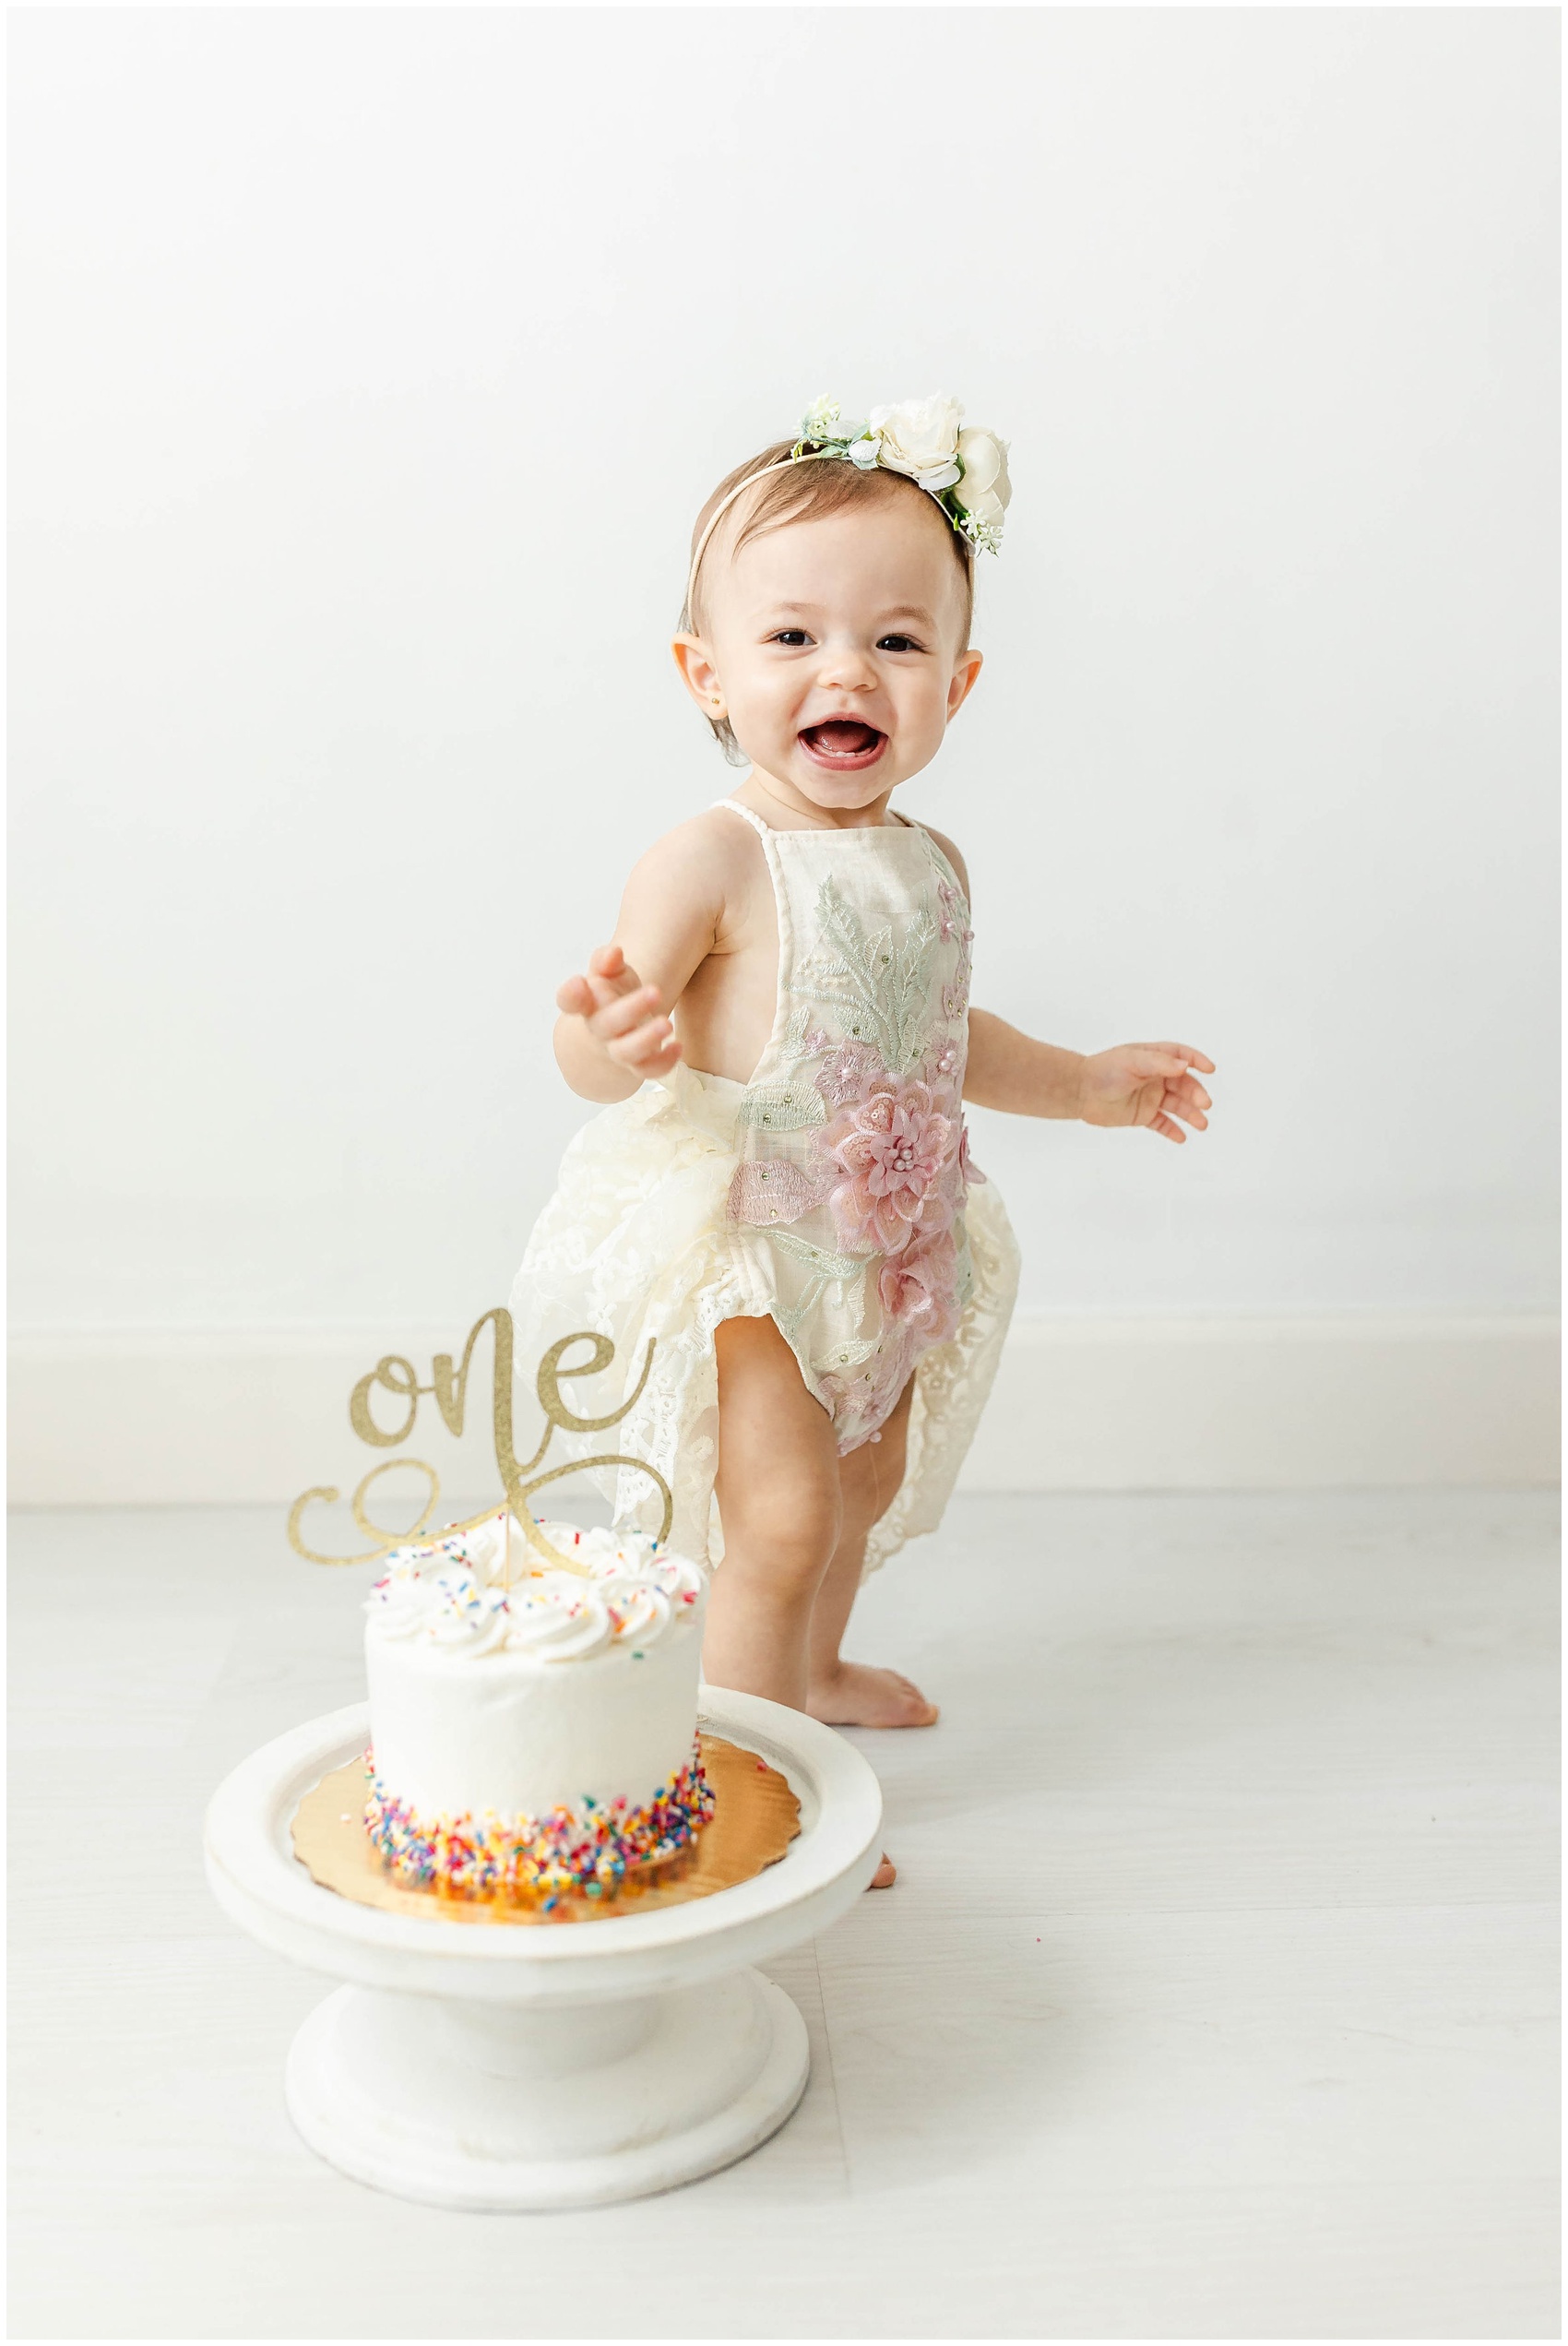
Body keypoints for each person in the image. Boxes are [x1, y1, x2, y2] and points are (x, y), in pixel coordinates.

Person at [512, 396, 1214, 1887]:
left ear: (956, 682)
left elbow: (938, 1032)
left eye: (896, 642)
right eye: (792, 640)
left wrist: (1087, 1081)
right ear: (708, 675)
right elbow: (599, 1037)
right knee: (773, 1517)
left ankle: (813, 1682)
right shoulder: (714, 855)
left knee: (863, 1491)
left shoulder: (929, 861)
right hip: (755, 1241)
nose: (848, 671)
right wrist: (612, 1034)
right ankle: (747, 1790)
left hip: (885, 1244)